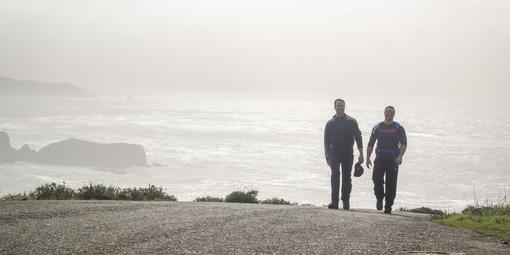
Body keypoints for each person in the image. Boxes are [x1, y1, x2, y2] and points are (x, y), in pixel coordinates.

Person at [366, 106, 407, 214]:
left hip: (393, 159)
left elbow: (403, 144)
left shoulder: (398, 128)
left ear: (394, 114)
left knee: (391, 183)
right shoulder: (378, 127)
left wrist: (400, 156)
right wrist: (368, 158)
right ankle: (379, 197)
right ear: (384, 113)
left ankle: (388, 205)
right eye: (388, 112)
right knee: (376, 179)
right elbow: (371, 143)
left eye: (391, 112)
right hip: (380, 158)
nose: (389, 114)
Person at [324, 99, 363, 210]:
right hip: (334, 153)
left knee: (347, 177)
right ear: (334, 107)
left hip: (347, 153)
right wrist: (327, 156)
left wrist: (361, 153)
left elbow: (358, 138)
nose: (340, 107)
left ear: (344, 107)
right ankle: (334, 202)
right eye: (338, 106)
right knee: (335, 175)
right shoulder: (330, 123)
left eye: (342, 105)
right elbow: (326, 141)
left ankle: (345, 201)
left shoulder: (352, 121)